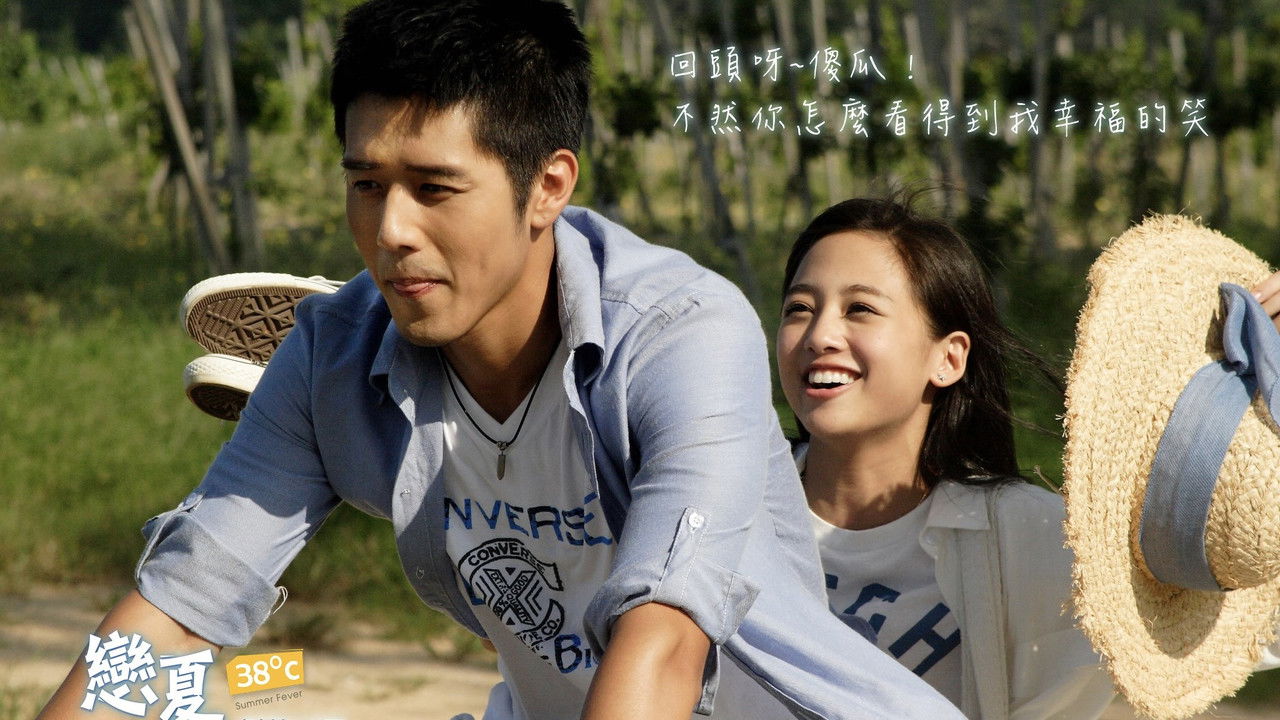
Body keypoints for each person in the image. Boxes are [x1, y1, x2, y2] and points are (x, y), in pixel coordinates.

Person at [37, 3, 963, 719]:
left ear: (547, 186)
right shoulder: (329, 352)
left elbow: (664, 639)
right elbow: (178, 609)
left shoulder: (683, 334)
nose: (392, 231)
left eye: (435, 188)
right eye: (367, 184)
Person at [771, 196, 1116, 719]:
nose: (819, 336)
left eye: (860, 309)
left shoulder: (1038, 539)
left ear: (948, 357)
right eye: (799, 309)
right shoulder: (719, 507)